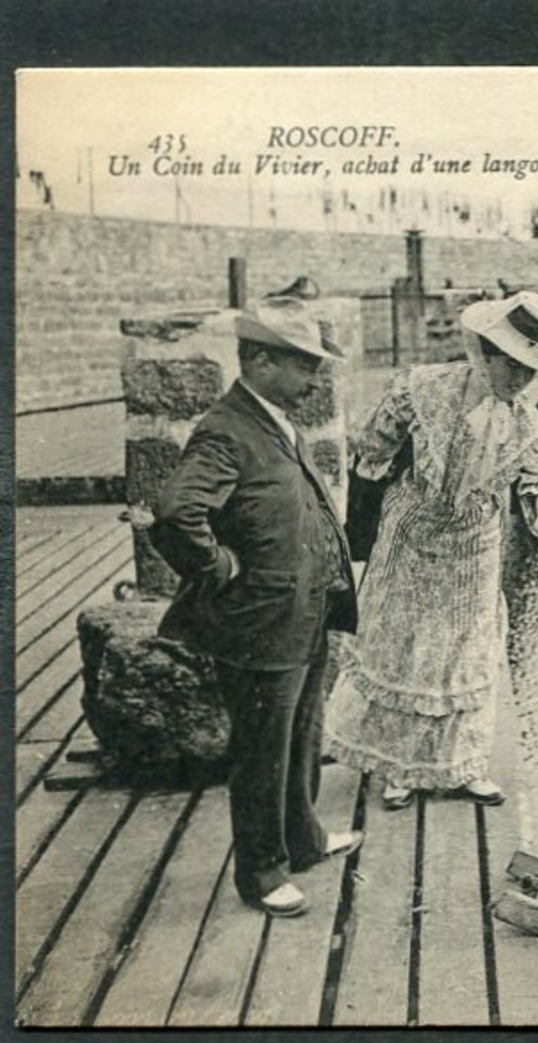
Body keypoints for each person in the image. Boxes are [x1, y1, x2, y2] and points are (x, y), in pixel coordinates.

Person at [325, 292, 538, 811]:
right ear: (485, 353)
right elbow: (372, 446)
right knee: (405, 644)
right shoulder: (423, 389)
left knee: (465, 652)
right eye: (510, 365)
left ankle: (462, 766)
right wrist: (382, 452)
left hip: (475, 545)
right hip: (412, 535)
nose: (517, 380)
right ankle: (397, 767)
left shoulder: (525, 421)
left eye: (529, 371)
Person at [152, 298, 362, 918]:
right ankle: (263, 872)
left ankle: (304, 840)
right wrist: (217, 567)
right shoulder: (227, 428)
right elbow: (174, 514)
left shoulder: (270, 418)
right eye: (302, 364)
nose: (314, 378)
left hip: (300, 614)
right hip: (261, 621)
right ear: (262, 360)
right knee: (263, 752)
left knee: (302, 736)